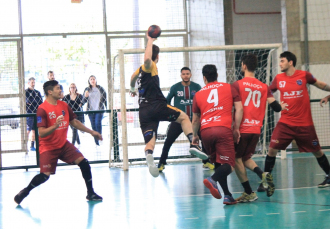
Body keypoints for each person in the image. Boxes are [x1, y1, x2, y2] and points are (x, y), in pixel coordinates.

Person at [129, 33, 207, 178]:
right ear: (157, 56)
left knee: (150, 141)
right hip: (157, 106)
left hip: (143, 111)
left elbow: (132, 78)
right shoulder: (150, 65)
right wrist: (150, 41)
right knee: (184, 118)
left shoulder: (139, 70)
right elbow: (147, 59)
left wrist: (132, 89)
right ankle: (193, 144)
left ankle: (149, 155)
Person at [14, 80, 103, 205]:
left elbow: (74, 122)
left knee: (84, 163)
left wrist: (92, 132)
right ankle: (26, 191)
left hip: (63, 144)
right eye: (57, 88)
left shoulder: (64, 105)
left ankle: (90, 193)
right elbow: (42, 133)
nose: (60, 90)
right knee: (44, 176)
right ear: (50, 92)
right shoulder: (42, 109)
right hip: (48, 147)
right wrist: (55, 126)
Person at [260, 51, 330, 191]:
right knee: (272, 149)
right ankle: (265, 182)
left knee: (317, 151)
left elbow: (321, 85)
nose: (280, 64)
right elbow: (267, 91)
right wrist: (275, 104)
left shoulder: (304, 75)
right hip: (285, 123)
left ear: (290, 62)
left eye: (282, 61)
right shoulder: (279, 78)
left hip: (305, 124)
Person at [231, 54, 288, 202]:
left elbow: (233, 106)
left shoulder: (237, 84)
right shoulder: (264, 87)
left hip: (242, 128)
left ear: (243, 66)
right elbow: (275, 107)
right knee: (245, 158)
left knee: (236, 160)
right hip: (256, 129)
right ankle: (263, 174)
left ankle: (248, 192)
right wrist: (282, 106)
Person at [192, 64, 243, 205]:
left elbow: (196, 119)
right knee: (229, 164)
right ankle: (212, 179)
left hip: (205, 131)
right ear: (217, 75)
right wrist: (236, 128)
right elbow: (239, 108)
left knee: (218, 163)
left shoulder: (198, 94)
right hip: (222, 129)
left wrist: (195, 136)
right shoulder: (229, 87)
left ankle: (227, 195)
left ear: (204, 78)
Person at [158, 67, 214, 172]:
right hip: (179, 120)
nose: (185, 76)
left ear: (190, 75)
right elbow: (166, 102)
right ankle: (161, 163)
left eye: (187, 73)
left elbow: (203, 101)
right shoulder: (175, 87)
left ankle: (206, 162)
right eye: (183, 74)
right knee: (168, 141)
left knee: (204, 140)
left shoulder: (197, 87)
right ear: (181, 75)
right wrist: (170, 115)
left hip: (194, 121)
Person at [82, 75, 107, 146]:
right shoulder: (87, 89)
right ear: (89, 81)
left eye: (94, 79)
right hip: (90, 110)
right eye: (91, 79)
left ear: (96, 80)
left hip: (99, 109)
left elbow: (105, 98)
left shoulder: (100, 88)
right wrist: (85, 96)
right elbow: (83, 101)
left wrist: (106, 106)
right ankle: (96, 140)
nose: (92, 80)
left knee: (97, 123)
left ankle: (99, 136)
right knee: (93, 126)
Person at [25, 77, 43, 151]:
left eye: (34, 82)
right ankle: (24, 145)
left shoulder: (37, 92)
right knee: (28, 130)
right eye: (32, 82)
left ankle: (32, 146)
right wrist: (33, 102)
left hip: (36, 113)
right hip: (29, 113)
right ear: (28, 83)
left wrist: (33, 103)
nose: (33, 84)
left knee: (34, 130)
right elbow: (28, 101)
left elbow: (40, 102)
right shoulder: (26, 92)